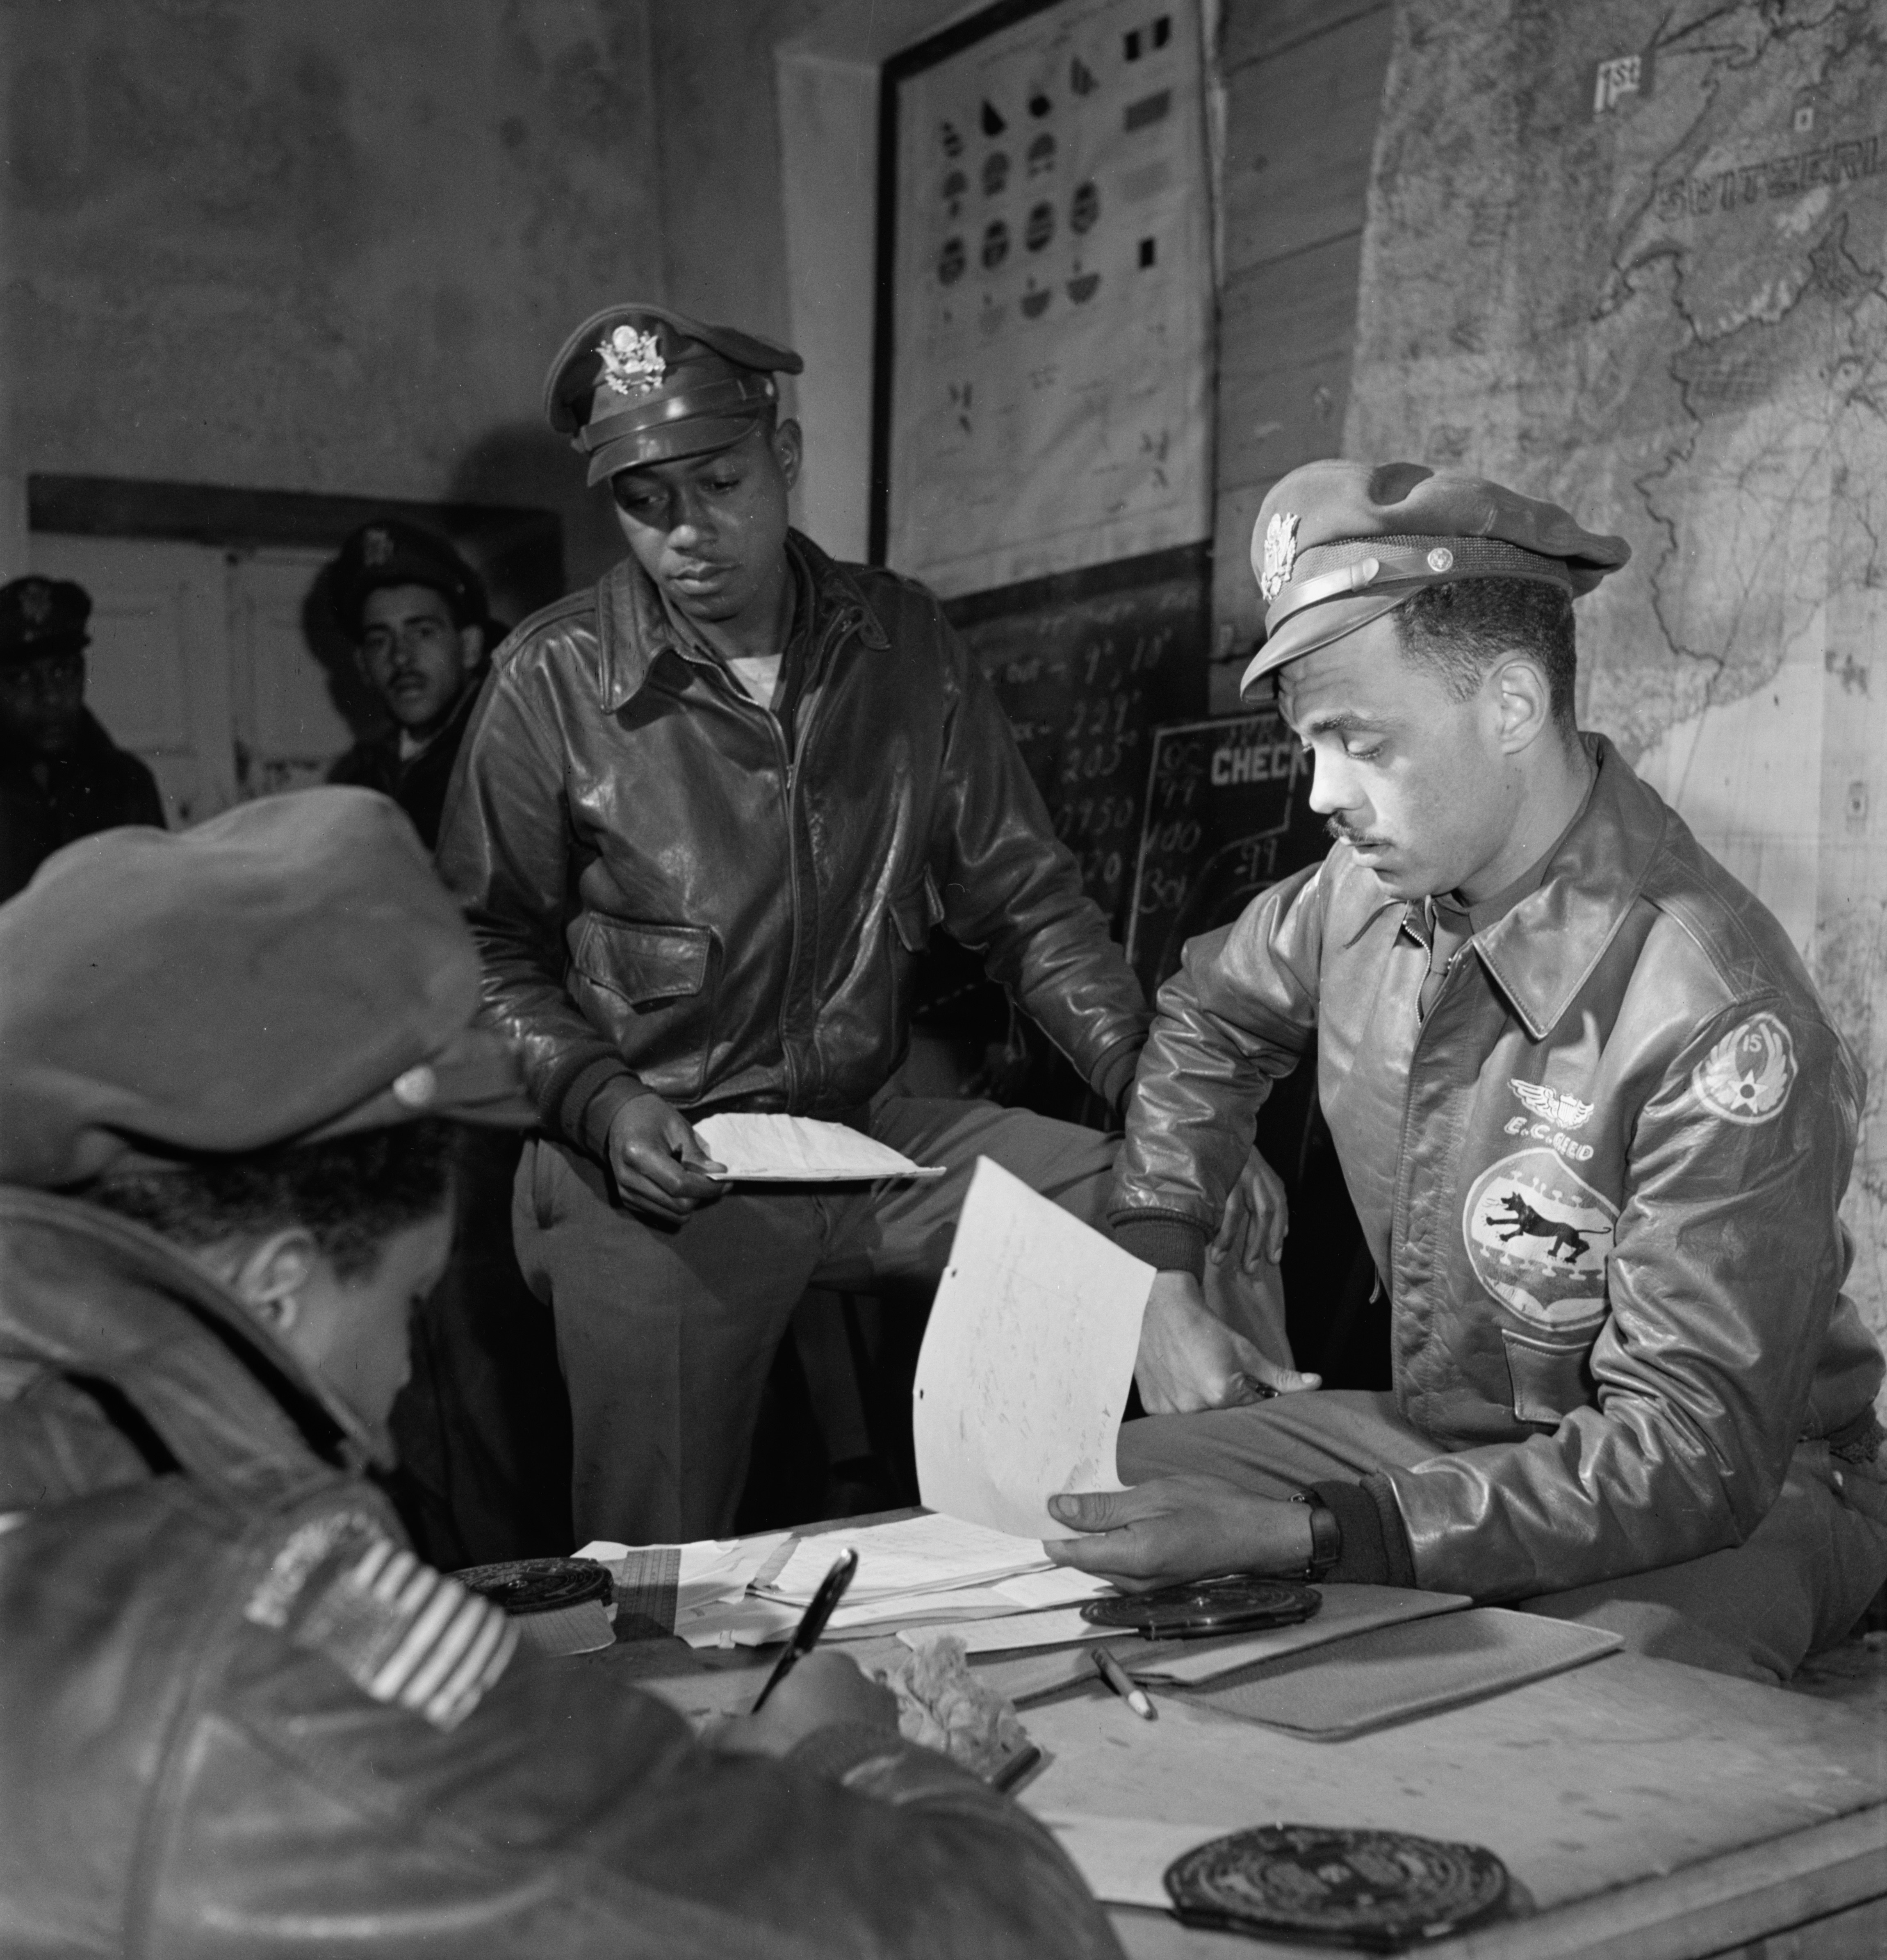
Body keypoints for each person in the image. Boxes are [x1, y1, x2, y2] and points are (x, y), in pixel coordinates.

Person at [0, 788, 1123, 1959]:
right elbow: (1013, 1931)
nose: (395, 1389)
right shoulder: (268, 1643)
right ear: (276, 1286)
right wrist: (840, 1745)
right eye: (408, 1302)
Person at [436, 303, 1293, 1545]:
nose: (685, 534)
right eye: (643, 503)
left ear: (784, 458)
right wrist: (601, 1101)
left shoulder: (902, 647)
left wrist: (1161, 1113)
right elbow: (483, 950)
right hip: (652, 1165)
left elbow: (1029, 905)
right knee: (659, 1564)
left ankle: (1205, 1553)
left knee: (1176, 1195)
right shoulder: (551, 681)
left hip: (858, 1139)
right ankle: (662, 1712)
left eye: (718, 482)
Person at [1045, 460, 1887, 1685]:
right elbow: (1208, 1016)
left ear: (1508, 705)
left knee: (1576, 1703)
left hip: (1735, 1490)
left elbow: (1692, 1452)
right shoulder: (1364, 892)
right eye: (1307, 743)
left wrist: (1317, 1533)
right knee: (1089, 1502)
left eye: (1356, 740)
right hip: (1452, 1439)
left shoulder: (1712, 1012)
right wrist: (1162, 1265)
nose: (1321, 793)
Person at [326, 518, 495, 850]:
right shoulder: (361, 778)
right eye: (379, 640)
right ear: (362, 664)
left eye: (422, 632)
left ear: (470, 647)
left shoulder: (509, 758)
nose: (400, 657)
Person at [0, 573, 164, 901]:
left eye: (63, 671)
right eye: (21, 678)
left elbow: (159, 913)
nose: (49, 696)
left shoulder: (127, 784)